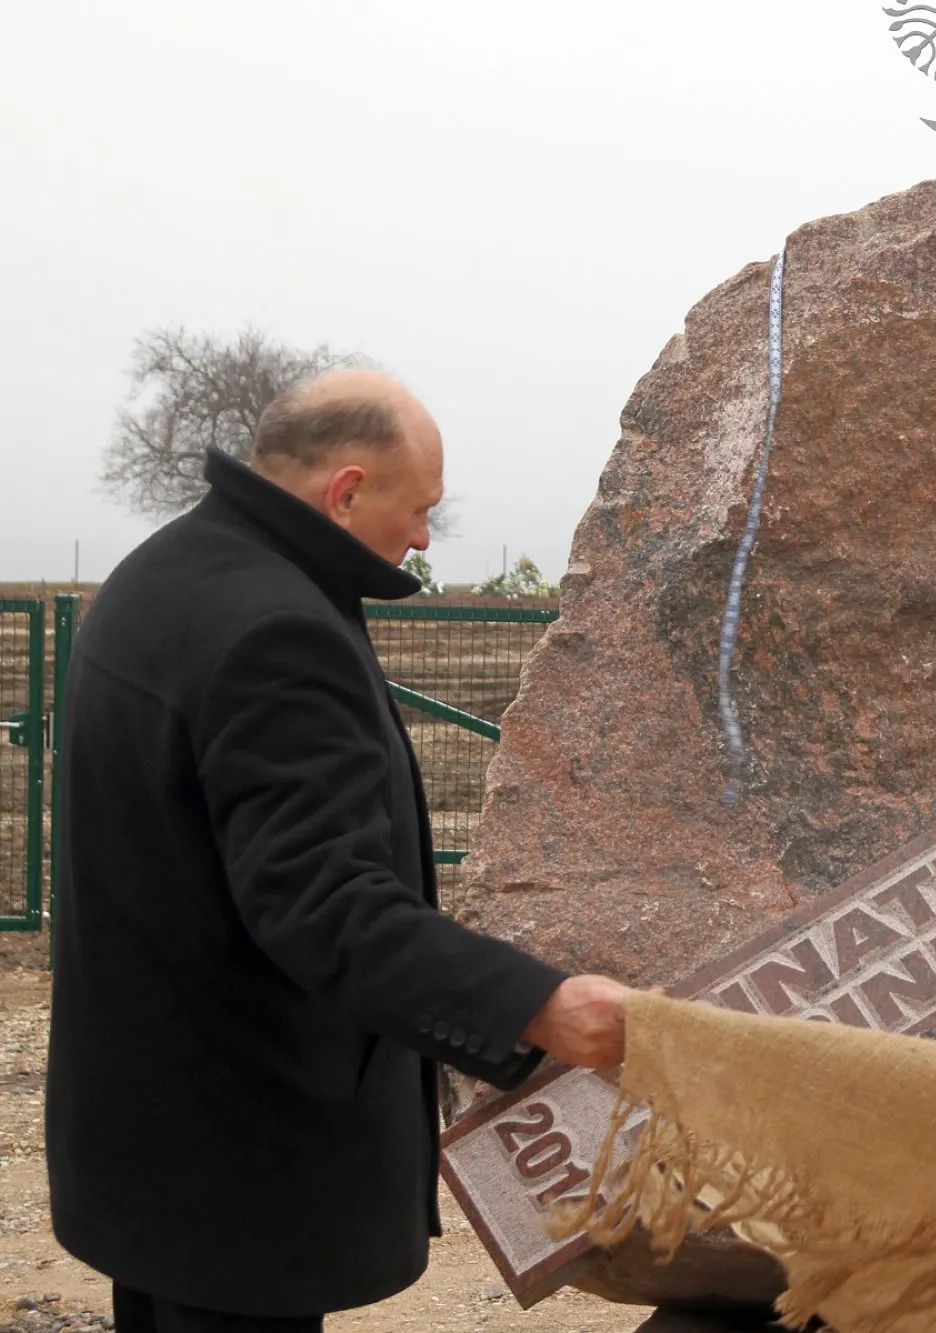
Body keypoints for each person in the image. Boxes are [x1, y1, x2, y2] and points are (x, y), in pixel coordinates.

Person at [47, 371, 644, 1333]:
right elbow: (324, 900)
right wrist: (539, 1006)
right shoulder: (279, 630)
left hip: (139, 1140)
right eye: (421, 512)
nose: (422, 540)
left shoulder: (158, 572)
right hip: (244, 1161)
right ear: (347, 489)